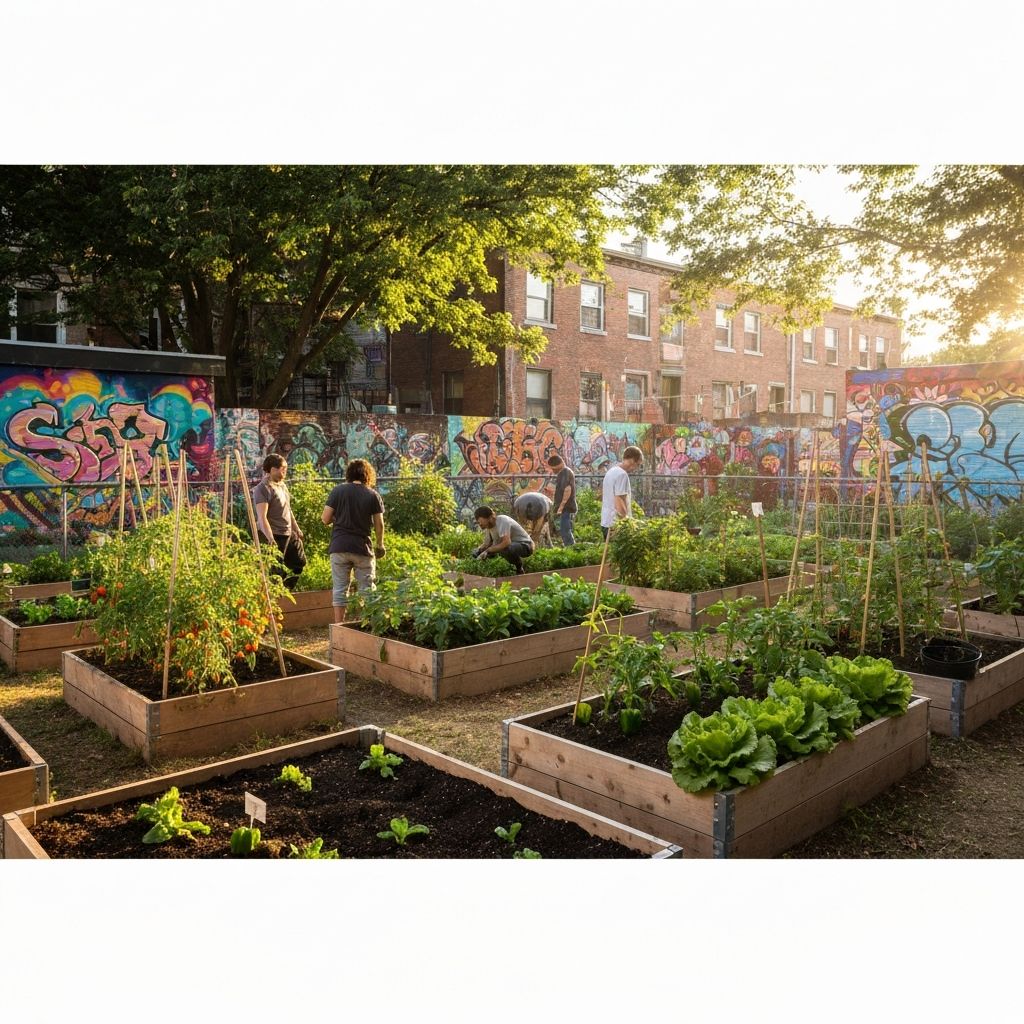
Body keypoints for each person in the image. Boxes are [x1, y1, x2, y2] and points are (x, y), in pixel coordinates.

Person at [321, 458, 386, 624]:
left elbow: (325, 519)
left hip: (339, 546)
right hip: (362, 547)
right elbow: (379, 523)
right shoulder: (372, 495)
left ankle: (338, 625)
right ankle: (367, 624)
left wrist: (340, 518)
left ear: (349, 473)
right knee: (367, 589)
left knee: (340, 589)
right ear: (368, 475)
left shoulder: (338, 491)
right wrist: (380, 544)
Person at [252, 453, 306, 590]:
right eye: (283, 469)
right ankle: (276, 599)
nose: (285, 472)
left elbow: (288, 509)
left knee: (298, 562)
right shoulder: (262, 489)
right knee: (276, 571)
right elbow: (262, 517)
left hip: (289, 533)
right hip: (274, 534)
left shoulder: (282, 486)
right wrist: (270, 538)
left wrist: (296, 528)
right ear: (272, 470)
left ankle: (286, 591)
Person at [472, 504, 534, 575]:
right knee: (483, 552)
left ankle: (519, 568)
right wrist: (478, 550)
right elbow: (486, 544)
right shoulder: (489, 527)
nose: (480, 524)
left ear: (490, 517)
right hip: (513, 546)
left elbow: (506, 542)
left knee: (504, 549)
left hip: (526, 546)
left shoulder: (502, 520)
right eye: (478, 522)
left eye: (481, 521)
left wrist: (488, 550)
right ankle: (488, 573)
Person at [600, 445, 643, 538]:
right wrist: (628, 523)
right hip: (616, 525)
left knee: (610, 552)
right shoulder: (622, 475)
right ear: (632, 460)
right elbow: (619, 501)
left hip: (606, 522)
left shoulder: (612, 471)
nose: (637, 468)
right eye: (638, 464)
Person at [547, 453, 577, 547]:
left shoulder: (565, 473)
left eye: (553, 468)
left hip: (567, 508)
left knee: (565, 530)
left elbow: (567, 490)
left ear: (559, 464)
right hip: (566, 508)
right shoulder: (563, 473)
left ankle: (570, 549)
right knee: (566, 530)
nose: (552, 470)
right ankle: (570, 548)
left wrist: (561, 507)